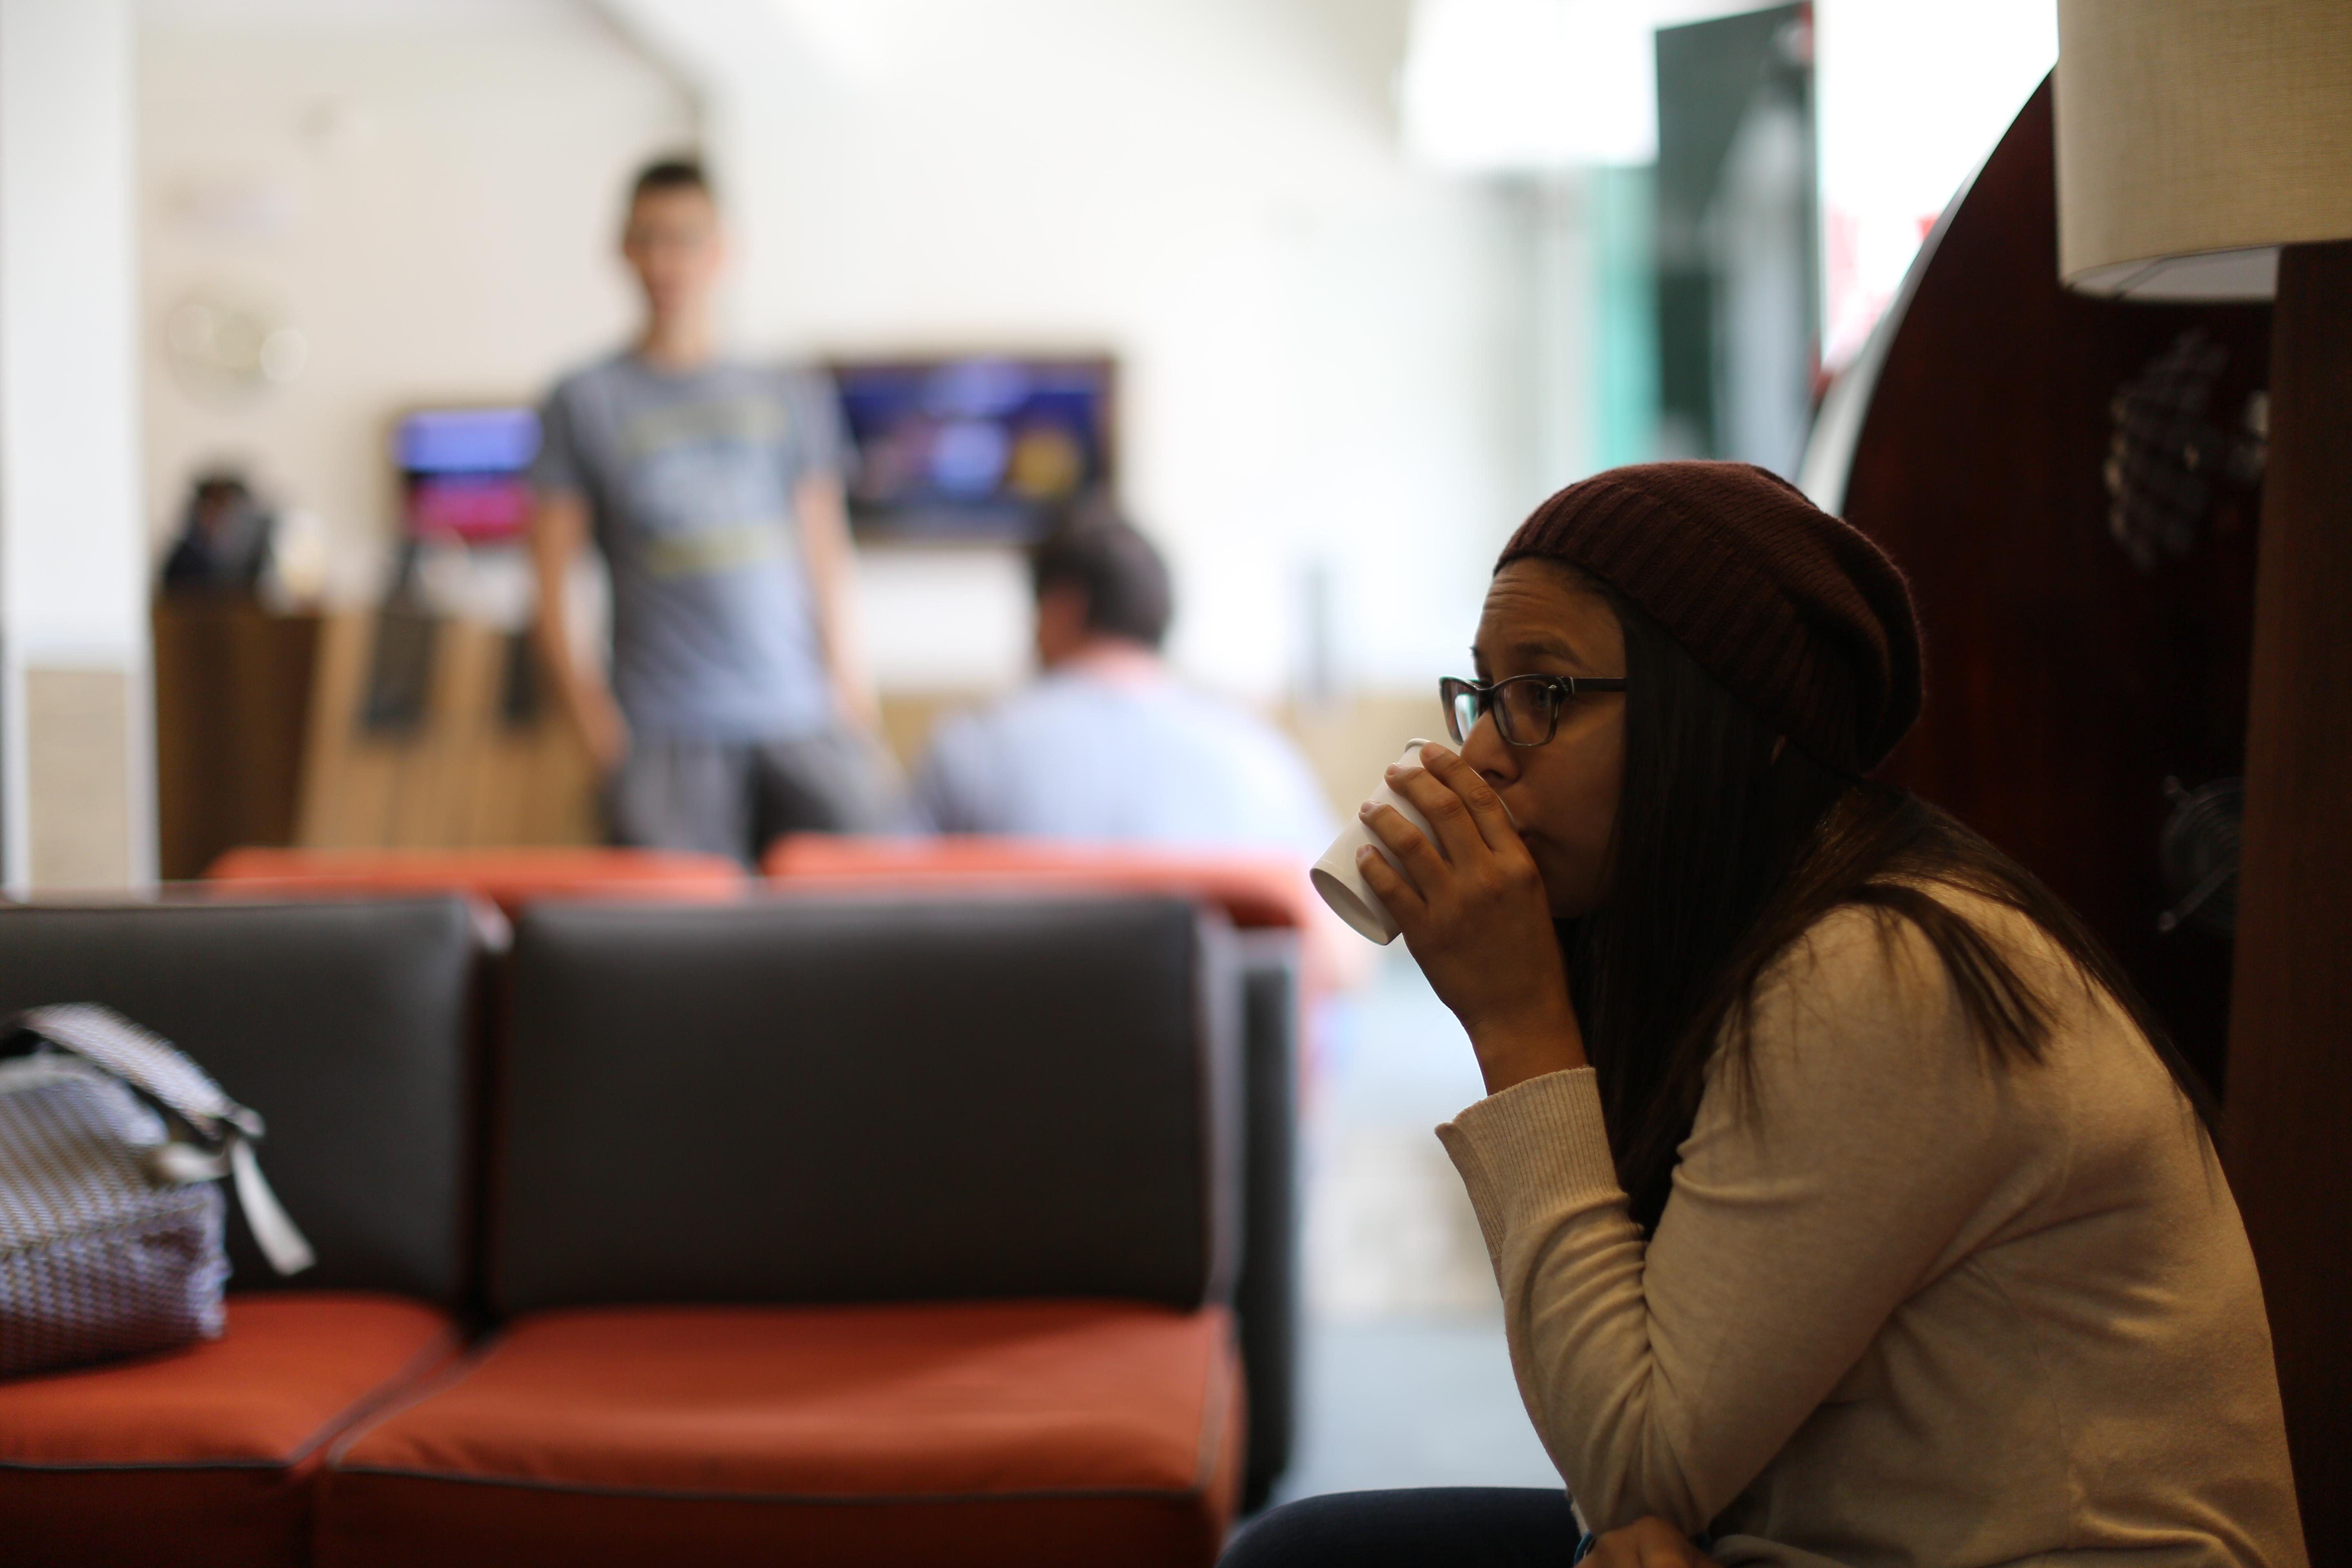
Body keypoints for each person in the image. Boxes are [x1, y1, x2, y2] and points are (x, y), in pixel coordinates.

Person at [1223, 463, 2304, 1567]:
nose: (1484, 752)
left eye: (1543, 695)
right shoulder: (1727, 944)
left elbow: (1635, 1467)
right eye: (1483, 693)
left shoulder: (1880, 969)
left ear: (1736, 718)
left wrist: (1517, 1024)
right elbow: (1634, 1466)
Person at [528, 156, 897, 864]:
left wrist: (855, 706)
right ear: (623, 251)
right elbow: (548, 594)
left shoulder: (789, 392)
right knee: (685, 961)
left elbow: (826, 561)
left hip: (803, 723)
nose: (669, 260)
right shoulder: (585, 400)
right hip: (665, 736)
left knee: (855, 929)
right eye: (650, 238)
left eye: (686, 238)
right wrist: (601, 744)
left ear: (722, 251)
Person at [907, 512, 1334, 862]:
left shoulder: (971, 750)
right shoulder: (1262, 757)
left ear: (1062, 607)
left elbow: (882, 921)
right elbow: (1341, 947)